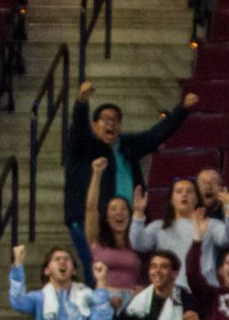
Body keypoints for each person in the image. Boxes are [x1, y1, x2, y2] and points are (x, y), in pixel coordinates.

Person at [62, 79, 194, 256]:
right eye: (105, 119)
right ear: (94, 125)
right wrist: (81, 102)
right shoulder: (84, 147)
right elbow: (78, 131)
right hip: (89, 221)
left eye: (116, 120)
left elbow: (155, 136)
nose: (111, 124)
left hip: (126, 221)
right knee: (95, 270)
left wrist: (182, 109)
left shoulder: (128, 145)